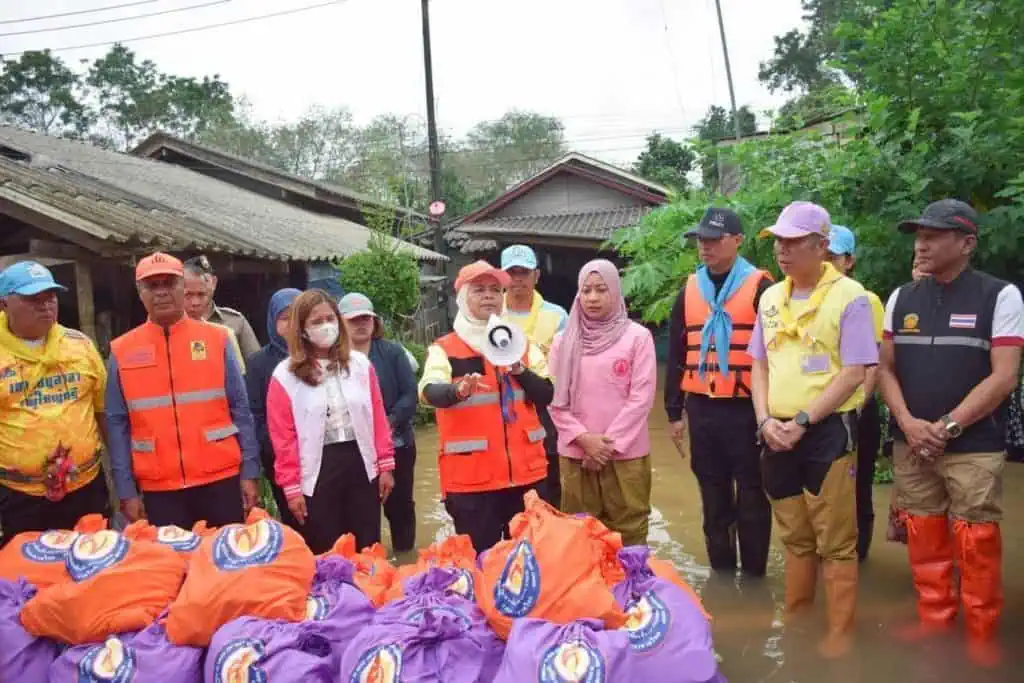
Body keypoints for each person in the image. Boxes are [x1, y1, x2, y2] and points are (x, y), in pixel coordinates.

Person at [878, 199, 1023, 667]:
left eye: (935, 234)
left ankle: (982, 636)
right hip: (911, 440)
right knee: (923, 535)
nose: (922, 242)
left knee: (975, 540)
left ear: (967, 243)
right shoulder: (901, 298)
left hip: (974, 445)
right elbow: (883, 368)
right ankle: (934, 623)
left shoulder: (1000, 296)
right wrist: (906, 422)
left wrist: (948, 426)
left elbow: (1004, 377)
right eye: (919, 233)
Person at [749, 201, 878, 658]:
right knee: (795, 536)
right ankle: (799, 619)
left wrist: (803, 421)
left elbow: (855, 371)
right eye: (778, 241)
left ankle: (840, 632)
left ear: (821, 246)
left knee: (837, 542)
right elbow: (759, 366)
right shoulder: (768, 298)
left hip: (824, 433)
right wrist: (766, 420)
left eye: (793, 241)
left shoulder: (851, 297)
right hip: (774, 433)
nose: (782, 250)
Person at [106, 252, 261, 528]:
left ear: (182, 286)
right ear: (140, 292)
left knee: (224, 563)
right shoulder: (122, 350)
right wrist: (126, 490)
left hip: (219, 479)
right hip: (159, 487)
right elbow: (116, 425)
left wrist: (249, 470)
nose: (162, 292)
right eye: (152, 285)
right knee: (173, 566)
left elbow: (241, 409)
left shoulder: (217, 339)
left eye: (169, 283)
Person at [665, 208, 773, 576]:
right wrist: (672, 412)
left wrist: (774, 415)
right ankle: (723, 577)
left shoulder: (762, 287)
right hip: (703, 409)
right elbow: (678, 350)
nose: (705, 247)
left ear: (738, 241)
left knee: (753, 494)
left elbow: (776, 354)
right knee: (712, 494)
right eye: (701, 240)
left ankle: (756, 576)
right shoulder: (690, 289)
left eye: (714, 240)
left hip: (747, 409)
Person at [419, 261, 553, 552]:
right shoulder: (445, 348)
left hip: (527, 477)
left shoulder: (522, 344)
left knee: (533, 561)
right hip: (473, 482)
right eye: (479, 290)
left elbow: (546, 394)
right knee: (482, 563)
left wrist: (519, 369)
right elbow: (428, 392)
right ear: (463, 298)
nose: (489, 296)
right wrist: (458, 390)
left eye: (495, 289)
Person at [267, 289, 396, 554]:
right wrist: (291, 487)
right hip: (318, 470)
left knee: (368, 543)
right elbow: (283, 438)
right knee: (328, 547)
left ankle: (371, 592)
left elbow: (377, 417)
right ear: (302, 329)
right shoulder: (285, 375)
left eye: (330, 318)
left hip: (361, 463)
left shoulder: (360, 365)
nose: (326, 326)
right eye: (316, 321)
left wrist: (385, 464)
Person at [0, 262, 109, 545]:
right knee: (28, 579)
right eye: (33, 299)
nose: (45, 306)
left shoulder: (80, 346)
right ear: (4, 303)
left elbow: (104, 412)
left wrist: (124, 480)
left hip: (85, 489)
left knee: (92, 566)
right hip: (20, 497)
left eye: (50, 297)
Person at [549, 260, 656, 546]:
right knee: (579, 530)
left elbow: (641, 398)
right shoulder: (562, 342)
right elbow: (555, 400)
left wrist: (604, 447)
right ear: (578, 295)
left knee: (630, 528)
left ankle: (630, 587)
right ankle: (588, 589)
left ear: (616, 292)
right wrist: (585, 440)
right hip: (575, 452)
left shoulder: (638, 338)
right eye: (586, 290)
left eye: (601, 289)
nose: (593, 298)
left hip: (626, 453)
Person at [338, 292, 419, 553]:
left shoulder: (393, 353)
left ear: (375, 322)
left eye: (366, 319)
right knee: (362, 512)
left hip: (398, 444)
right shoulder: (333, 359)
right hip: (355, 449)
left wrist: (389, 421)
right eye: (354, 320)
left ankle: (405, 561)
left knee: (401, 507)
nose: (361, 325)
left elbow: (410, 394)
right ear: (341, 323)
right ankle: (370, 565)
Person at [827, 224, 886, 562]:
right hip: (820, 411)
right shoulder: (804, 299)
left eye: (833, 256)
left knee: (857, 486)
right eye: (823, 254)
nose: (826, 262)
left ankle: (857, 559)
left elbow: (872, 363)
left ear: (849, 261)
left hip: (854, 411)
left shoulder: (865, 300)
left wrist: (857, 407)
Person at [501, 244, 568, 509]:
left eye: (524, 272)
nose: (517, 279)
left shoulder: (558, 316)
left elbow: (567, 369)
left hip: (546, 412)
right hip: (502, 412)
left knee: (547, 489)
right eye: (511, 272)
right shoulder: (489, 316)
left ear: (536, 276)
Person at [246, 287, 302, 529]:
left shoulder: (323, 356)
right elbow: (255, 415)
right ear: (272, 321)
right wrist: (275, 448)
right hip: (279, 458)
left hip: (324, 457)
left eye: (298, 316)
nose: (292, 324)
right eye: (284, 318)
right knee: (295, 518)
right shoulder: (259, 364)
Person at [182, 255, 261, 360]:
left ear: (214, 282)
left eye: (201, 293)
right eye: (188, 294)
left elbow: (255, 365)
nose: (195, 302)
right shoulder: (171, 324)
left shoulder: (235, 321)